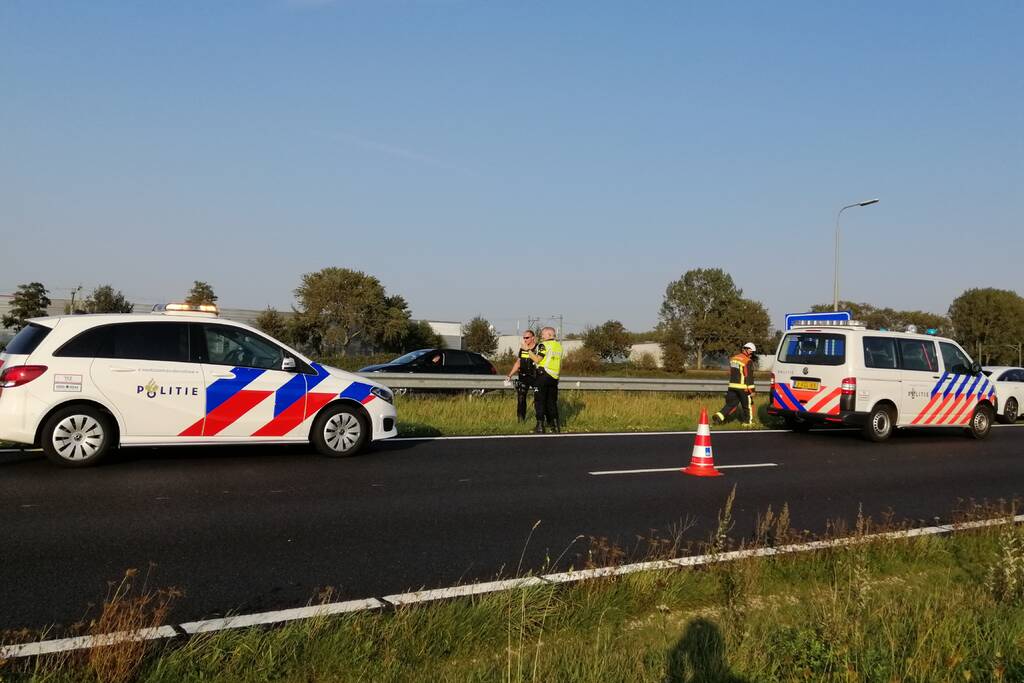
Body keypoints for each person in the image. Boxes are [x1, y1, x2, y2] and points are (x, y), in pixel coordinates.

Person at [528, 327, 563, 433]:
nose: (541, 336)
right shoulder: (559, 346)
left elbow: (537, 359)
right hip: (554, 377)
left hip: (543, 375)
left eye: (543, 334)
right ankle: (556, 426)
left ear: (549, 334)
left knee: (539, 401)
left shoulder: (543, 345)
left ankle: (540, 426)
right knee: (552, 402)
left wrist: (528, 351)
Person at [713, 342, 757, 426]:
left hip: (732, 386)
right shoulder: (748, 361)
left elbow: (731, 372)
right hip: (743, 387)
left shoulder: (734, 358)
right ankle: (748, 423)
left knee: (730, 404)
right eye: (752, 352)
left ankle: (719, 416)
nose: (752, 355)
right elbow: (748, 377)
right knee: (747, 405)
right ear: (747, 350)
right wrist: (752, 390)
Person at [506, 329, 538, 422]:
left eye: (527, 338)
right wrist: (510, 375)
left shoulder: (538, 348)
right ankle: (520, 420)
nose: (525, 340)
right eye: (524, 338)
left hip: (535, 377)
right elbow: (518, 362)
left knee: (538, 398)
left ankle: (539, 419)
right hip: (523, 376)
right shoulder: (522, 349)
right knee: (521, 398)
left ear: (533, 338)